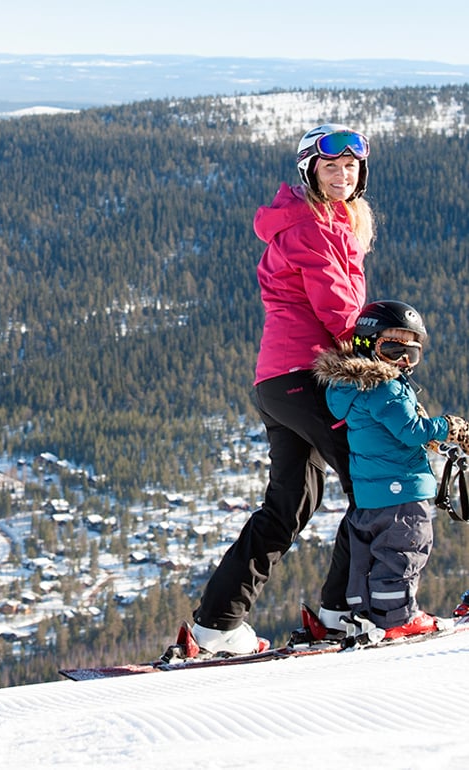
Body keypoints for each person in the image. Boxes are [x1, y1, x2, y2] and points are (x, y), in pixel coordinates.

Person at [190, 124, 375, 655]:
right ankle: (343, 610)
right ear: (309, 172)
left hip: (279, 381)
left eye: (351, 167)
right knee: (371, 481)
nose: (342, 175)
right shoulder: (311, 226)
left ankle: (217, 624)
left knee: (289, 503)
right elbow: (337, 307)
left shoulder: (323, 220)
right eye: (331, 166)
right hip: (308, 375)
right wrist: (379, 355)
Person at [314, 300, 469, 639]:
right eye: (393, 349)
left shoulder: (350, 388)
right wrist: (448, 426)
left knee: (367, 557)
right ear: (368, 345)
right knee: (405, 550)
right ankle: (398, 616)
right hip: (402, 490)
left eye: (411, 354)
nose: (402, 361)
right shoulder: (385, 386)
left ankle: (365, 614)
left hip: (369, 497)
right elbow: (411, 432)